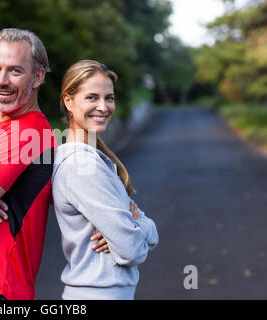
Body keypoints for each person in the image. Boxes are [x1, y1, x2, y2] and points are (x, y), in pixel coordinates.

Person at [0, 29, 107, 300]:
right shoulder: (5, 134)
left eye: (15, 71)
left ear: (38, 77)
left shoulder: (27, 136)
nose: (1, 80)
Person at [52, 60, 159, 300]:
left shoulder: (88, 158)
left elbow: (129, 237)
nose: (103, 106)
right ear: (68, 101)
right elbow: (130, 249)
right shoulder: (83, 165)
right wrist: (140, 224)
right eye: (92, 97)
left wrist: (132, 226)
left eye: (109, 98)